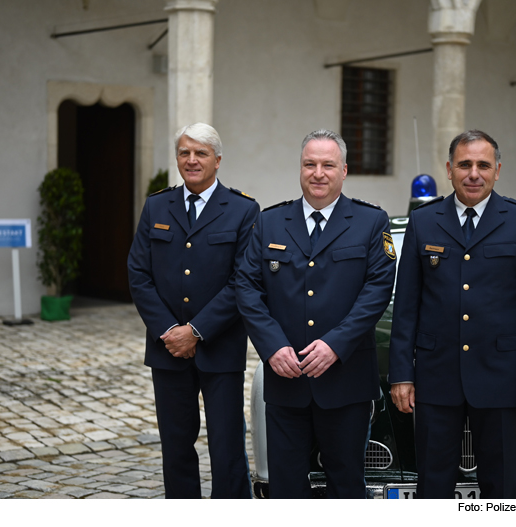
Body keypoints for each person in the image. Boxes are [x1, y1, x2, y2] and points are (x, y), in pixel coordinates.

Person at [388, 129, 516, 499]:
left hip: (501, 380)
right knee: (433, 485)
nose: (473, 173)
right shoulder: (425, 221)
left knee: (499, 486)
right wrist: (402, 373)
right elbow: (407, 307)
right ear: (449, 169)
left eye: (482, 165)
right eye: (464, 164)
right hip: (436, 378)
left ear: (497, 169)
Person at [236, 129, 396, 498]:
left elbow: (377, 290)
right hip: (285, 377)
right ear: (300, 169)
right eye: (310, 164)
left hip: (346, 379)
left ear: (344, 170)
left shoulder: (371, 222)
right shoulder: (271, 221)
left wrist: (335, 345)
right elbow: (246, 287)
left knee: (346, 485)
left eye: (328, 165)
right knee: (286, 487)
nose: (318, 173)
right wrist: (273, 346)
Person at [127, 123, 259, 499]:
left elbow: (243, 281)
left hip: (220, 349)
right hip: (167, 348)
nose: (191, 160)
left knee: (227, 444)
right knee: (176, 445)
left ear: (217, 160)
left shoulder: (243, 210)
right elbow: (138, 272)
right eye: (185, 152)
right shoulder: (157, 205)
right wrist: (169, 329)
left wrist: (196, 330)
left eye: (201, 153)